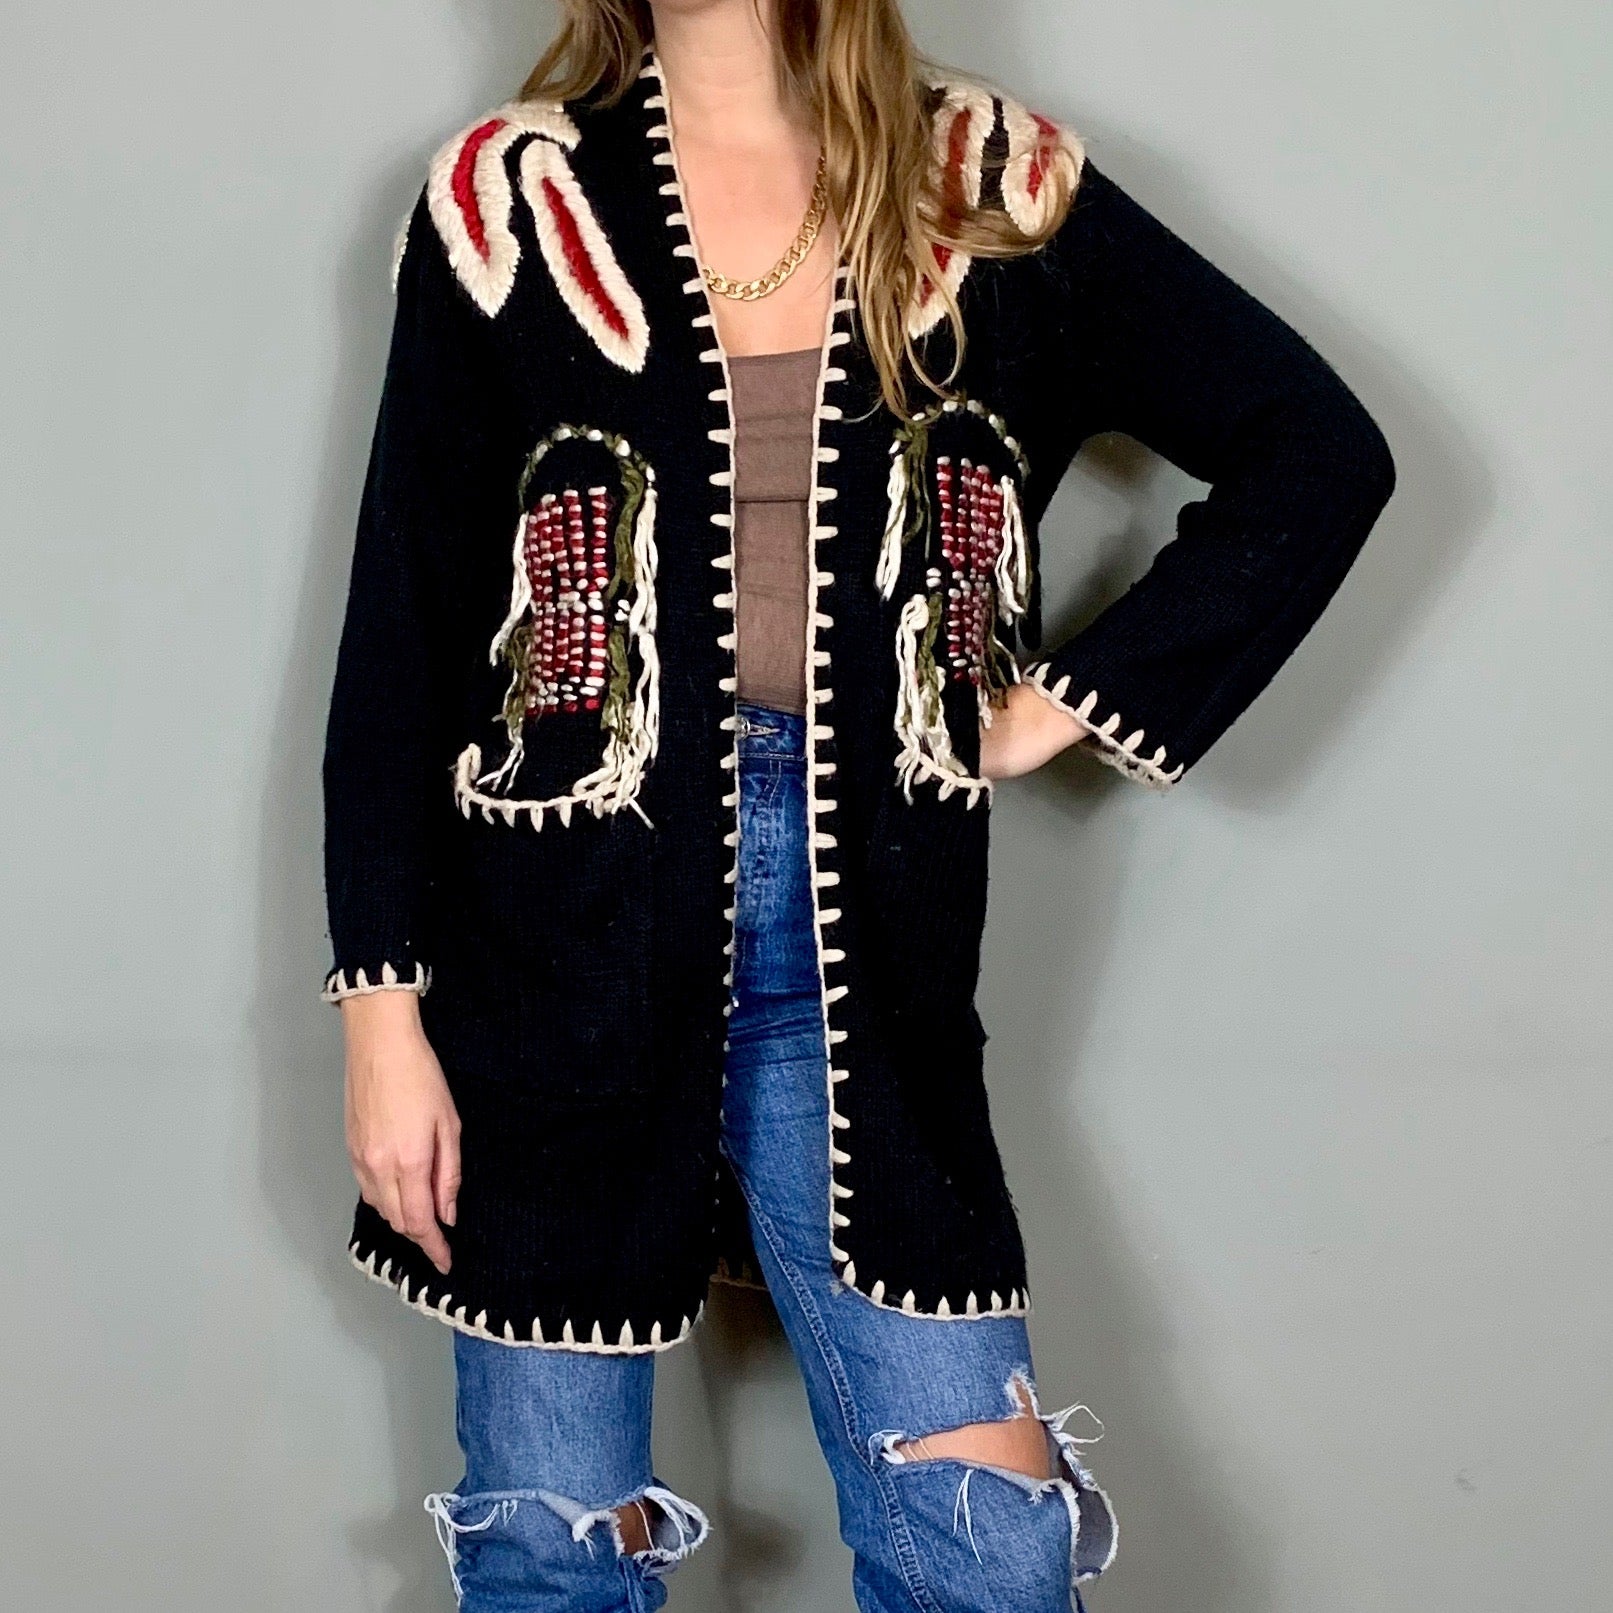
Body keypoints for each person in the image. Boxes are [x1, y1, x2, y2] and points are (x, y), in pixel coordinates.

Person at [320, 0, 1396, 1607]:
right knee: (552, 1551)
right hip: (547, 950)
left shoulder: (985, 180)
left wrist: (1056, 703)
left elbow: (1312, 448)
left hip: (862, 952)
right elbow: (403, 632)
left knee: (988, 1557)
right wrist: (379, 1012)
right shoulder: (511, 197)